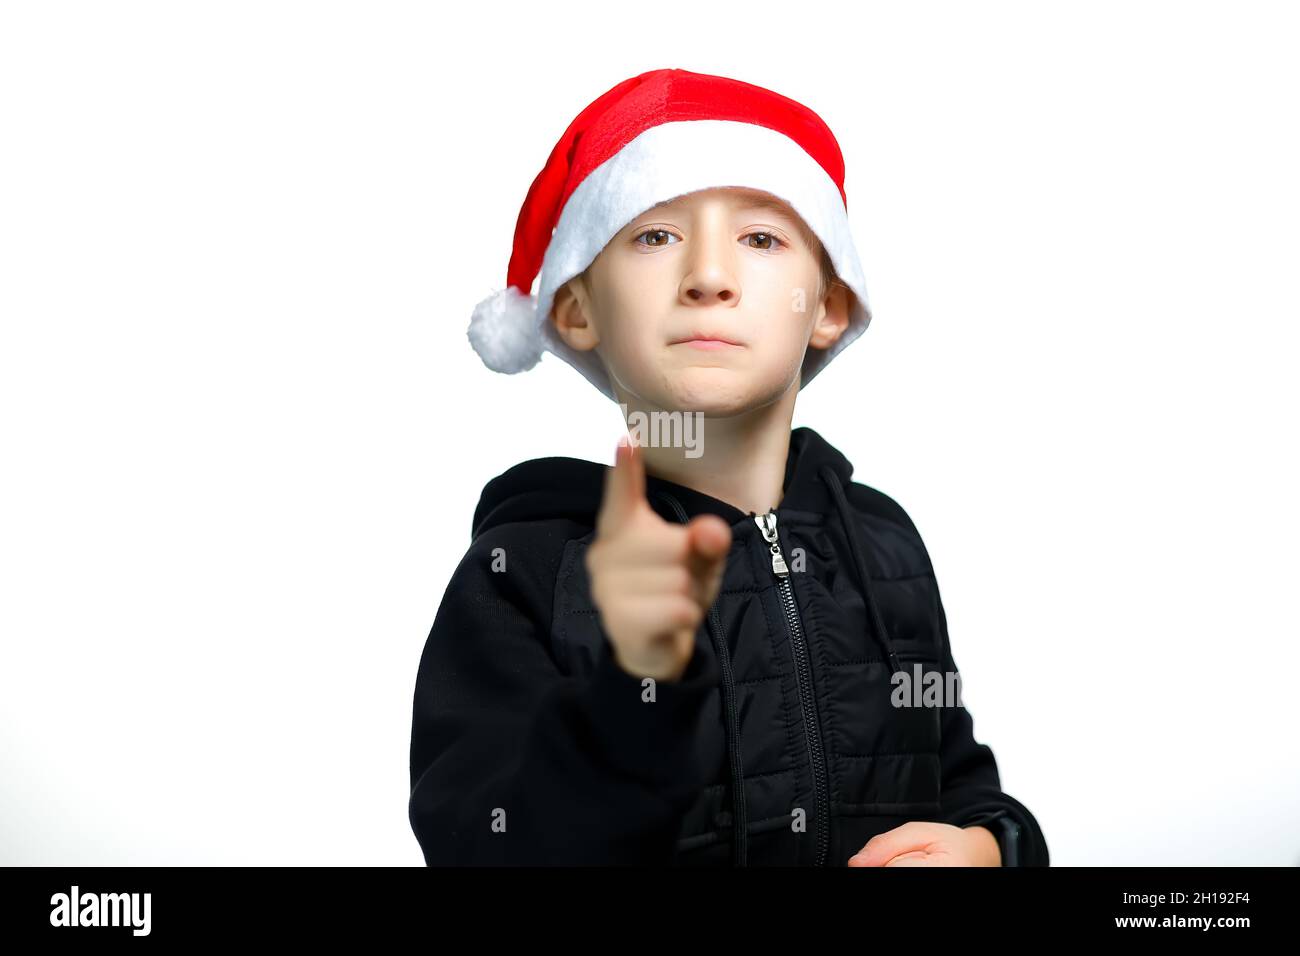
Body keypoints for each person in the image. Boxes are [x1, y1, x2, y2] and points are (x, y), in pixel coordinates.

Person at [408, 67, 1049, 866]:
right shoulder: (526, 573)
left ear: (829, 304)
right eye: (654, 235)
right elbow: (487, 842)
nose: (709, 277)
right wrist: (634, 688)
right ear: (573, 308)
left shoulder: (886, 545)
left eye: (760, 238)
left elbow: (959, 778)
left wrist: (993, 846)